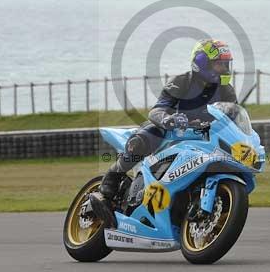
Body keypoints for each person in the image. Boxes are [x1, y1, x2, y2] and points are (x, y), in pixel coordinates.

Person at [90, 39, 237, 224]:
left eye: (226, 64)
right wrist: (169, 119)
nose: (224, 69)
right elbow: (157, 110)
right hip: (170, 132)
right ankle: (107, 189)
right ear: (201, 63)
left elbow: (233, 116)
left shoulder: (227, 90)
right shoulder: (181, 82)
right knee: (144, 139)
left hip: (200, 137)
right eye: (219, 64)